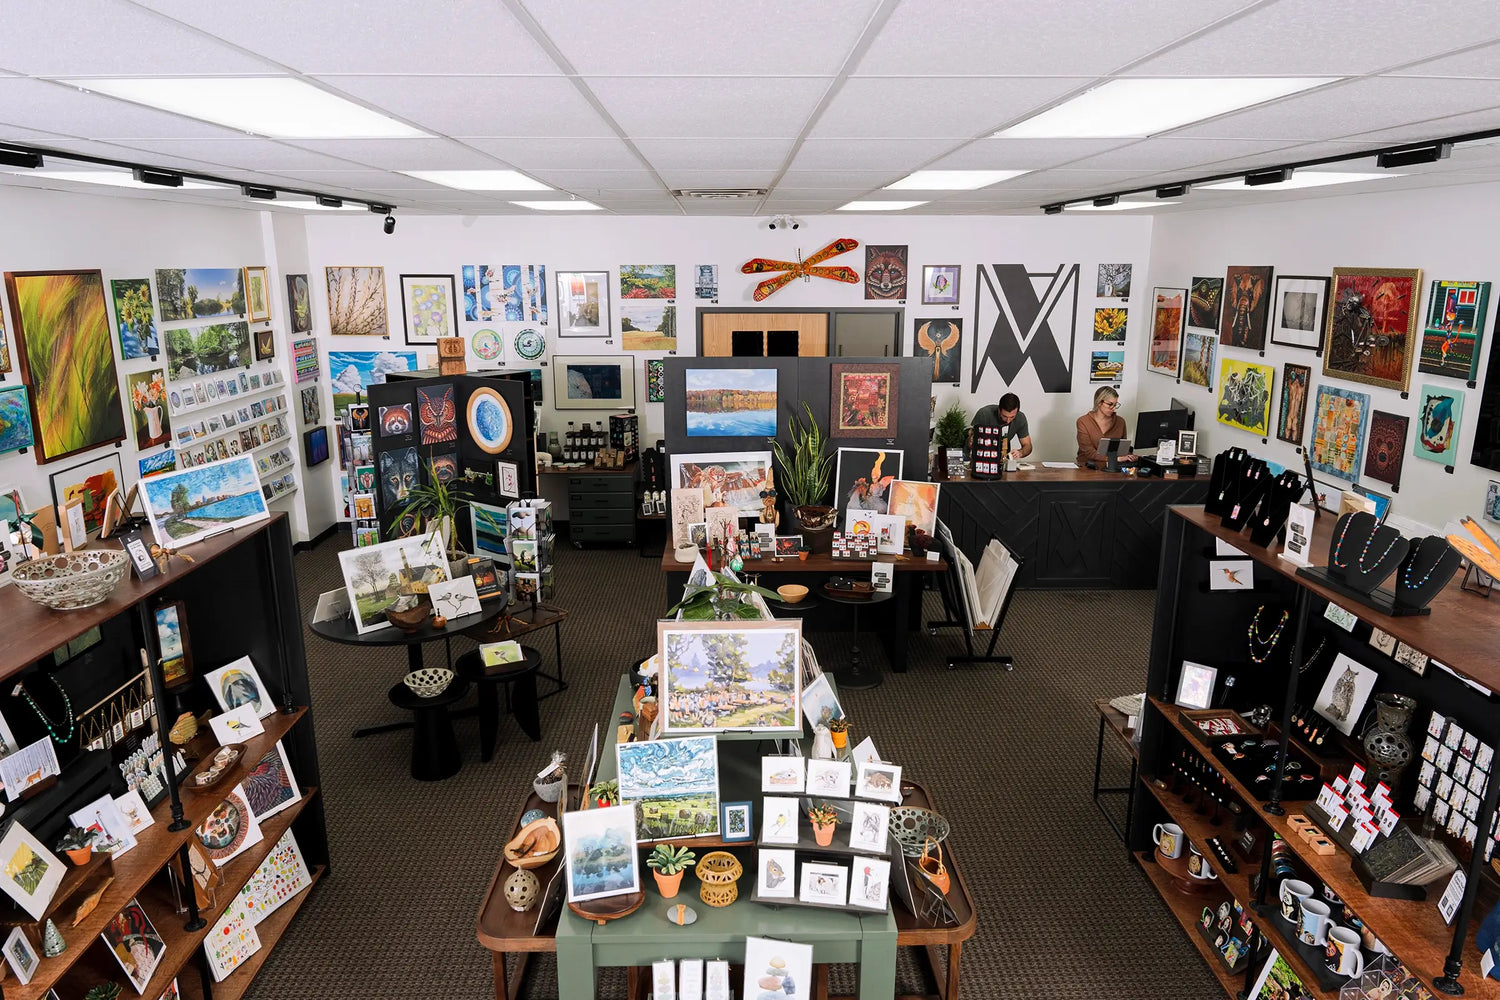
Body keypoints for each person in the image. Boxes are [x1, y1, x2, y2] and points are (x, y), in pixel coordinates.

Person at [1076, 386, 1136, 468]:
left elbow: (1122, 449)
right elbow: (1088, 452)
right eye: (1110, 404)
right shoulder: (1083, 421)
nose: (1113, 408)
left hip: (1112, 468)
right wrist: (1116, 459)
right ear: (1099, 402)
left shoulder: (1120, 421)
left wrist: (1129, 456)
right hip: (1087, 467)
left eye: (1115, 405)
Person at [970, 392, 1033, 459]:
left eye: (1012, 417)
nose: (1008, 420)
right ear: (999, 410)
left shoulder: (1020, 418)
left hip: (1002, 458)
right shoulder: (984, 414)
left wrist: (1020, 452)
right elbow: (971, 440)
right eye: (1004, 416)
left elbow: (1027, 445)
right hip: (978, 457)